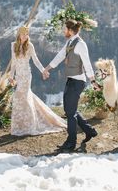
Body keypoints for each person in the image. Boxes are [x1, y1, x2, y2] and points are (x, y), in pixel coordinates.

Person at [43, 20, 99, 151]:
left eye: (65, 29)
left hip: (78, 81)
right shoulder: (69, 43)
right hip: (71, 80)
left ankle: (71, 142)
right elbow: (60, 56)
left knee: (70, 112)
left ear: (70, 30)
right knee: (70, 110)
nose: (63, 31)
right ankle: (89, 131)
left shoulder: (81, 44)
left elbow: (87, 63)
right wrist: (47, 68)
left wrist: (93, 80)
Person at [9, 26, 66, 136]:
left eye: (27, 34)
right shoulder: (13, 45)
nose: (25, 36)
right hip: (18, 76)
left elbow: (36, 60)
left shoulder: (30, 46)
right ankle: (19, 126)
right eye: (23, 34)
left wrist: (43, 71)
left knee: (24, 98)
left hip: (26, 76)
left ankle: (30, 126)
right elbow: (14, 63)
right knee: (20, 99)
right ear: (19, 34)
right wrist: (11, 76)